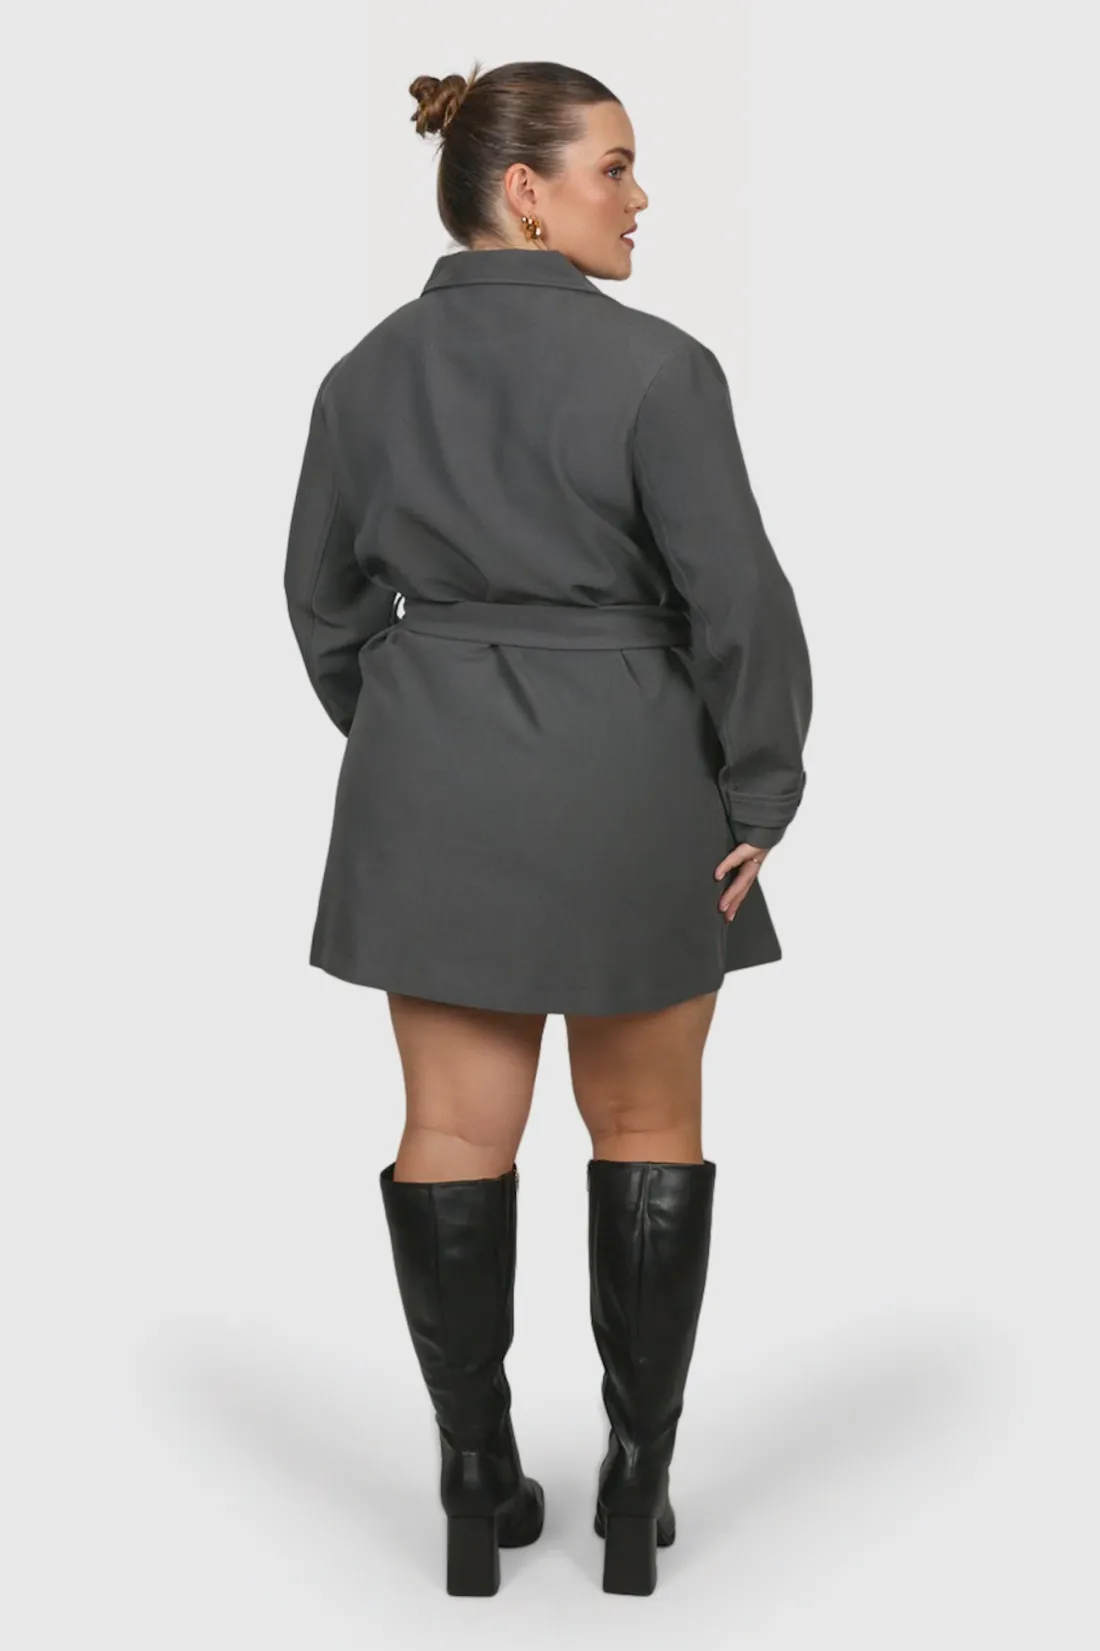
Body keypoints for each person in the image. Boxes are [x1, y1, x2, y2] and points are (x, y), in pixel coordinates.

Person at [282, 59, 813, 1596]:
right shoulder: (660, 370)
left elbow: (322, 602)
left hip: (432, 788)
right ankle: (635, 1490)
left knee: (453, 1130)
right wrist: (761, 786)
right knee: (646, 1123)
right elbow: (739, 601)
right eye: (615, 167)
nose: (640, 198)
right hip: (632, 782)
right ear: (527, 189)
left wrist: (416, 739)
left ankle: (473, 1480)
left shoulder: (364, 375)